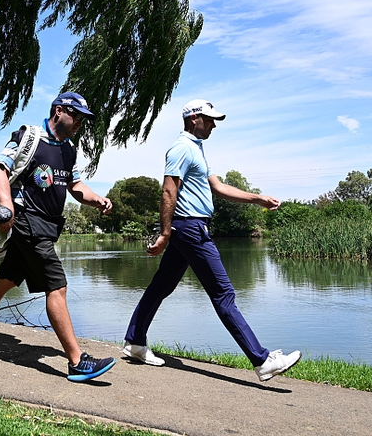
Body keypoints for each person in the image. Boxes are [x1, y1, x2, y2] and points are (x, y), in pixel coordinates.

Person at [122, 99, 301, 381]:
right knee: (223, 294)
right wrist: (165, 233)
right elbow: (168, 191)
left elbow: (217, 187)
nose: (213, 125)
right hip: (191, 229)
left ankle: (134, 341)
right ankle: (262, 360)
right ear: (194, 118)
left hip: (187, 228)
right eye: (209, 120)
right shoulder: (181, 148)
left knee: (161, 287)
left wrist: (257, 199)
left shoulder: (196, 149)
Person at [0, 91, 117, 382]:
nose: (80, 122)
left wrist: (97, 200)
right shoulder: (28, 137)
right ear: (59, 111)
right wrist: (6, 206)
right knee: (57, 286)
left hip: (47, 226)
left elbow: (76, 186)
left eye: (83, 118)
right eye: (76, 115)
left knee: (7, 278)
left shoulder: (69, 149)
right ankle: (77, 361)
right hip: (27, 221)